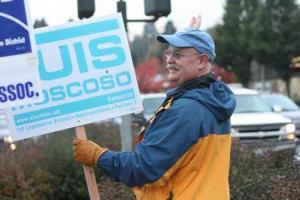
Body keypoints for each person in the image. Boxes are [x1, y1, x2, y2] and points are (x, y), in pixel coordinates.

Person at [73, 15, 236, 200]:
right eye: (168, 52)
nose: (169, 60)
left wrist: (98, 156)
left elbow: (142, 169)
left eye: (178, 54)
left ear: (201, 61)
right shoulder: (212, 98)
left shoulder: (187, 110)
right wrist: (188, 42)